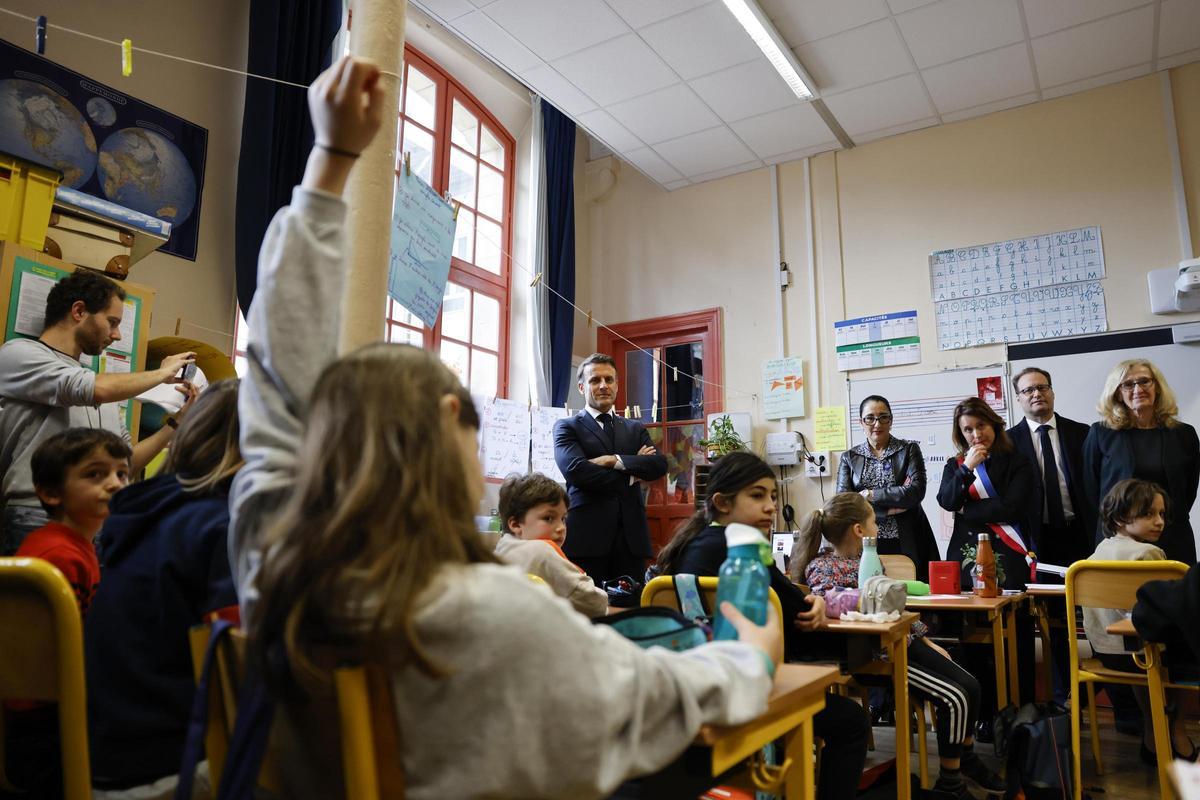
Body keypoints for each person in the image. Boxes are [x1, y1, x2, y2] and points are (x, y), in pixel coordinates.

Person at [231, 55, 782, 800]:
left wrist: (328, 162)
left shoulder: (272, 562)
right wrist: (750, 630)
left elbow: (271, 369)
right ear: (452, 418)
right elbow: (711, 690)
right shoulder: (495, 612)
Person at [654, 451, 869, 800]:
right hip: (744, 691)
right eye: (757, 496)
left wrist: (810, 601)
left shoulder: (693, 544)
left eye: (771, 495)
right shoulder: (743, 553)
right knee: (850, 721)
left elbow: (786, 600)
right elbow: (794, 612)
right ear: (723, 502)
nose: (770, 506)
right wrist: (813, 603)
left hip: (695, 688)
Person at [791, 491, 1005, 800]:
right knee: (954, 697)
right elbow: (830, 604)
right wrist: (868, 600)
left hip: (905, 641)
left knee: (970, 685)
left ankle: (964, 758)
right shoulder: (822, 568)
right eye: (873, 522)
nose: (878, 528)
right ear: (858, 530)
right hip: (878, 655)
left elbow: (897, 611)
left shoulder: (869, 561)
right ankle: (951, 780)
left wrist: (927, 640)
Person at [85, 380, 242, 796]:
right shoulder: (221, 528)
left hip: (96, 759)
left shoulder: (141, 514)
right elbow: (240, 676)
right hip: (166, 769)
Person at [0, 268, 196, 554]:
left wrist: (177, 423)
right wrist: (161, 374)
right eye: (112, 322)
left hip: (96, 526)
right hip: (38, 517)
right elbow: (91, 389)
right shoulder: (20, 354)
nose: (117, 335)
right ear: (79, 311)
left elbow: (127, 461)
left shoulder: (99, 385)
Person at [6, 428, 131, 796]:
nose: (114, 484)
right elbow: (69, 653)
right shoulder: (60, 555)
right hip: (47, 725)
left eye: (121, 473)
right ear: (50, 492)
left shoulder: (74, 546)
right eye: (95, 474)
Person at [937, 397, 1037, 738]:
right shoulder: (956, 465)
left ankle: (1018, 707)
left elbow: (1013, 508)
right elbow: (947, 501)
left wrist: (969, 512)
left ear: (994, 424)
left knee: (1016, 630)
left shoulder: (1018, 461)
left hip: (1007, 556)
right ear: (960, 434)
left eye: (981, 426)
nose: (976, 434)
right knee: (972, 634)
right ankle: (983, 708)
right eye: (968, 429)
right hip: (966, 558)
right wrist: (966, 469)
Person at [1081, 479, 1197, 762]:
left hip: (1107, 655)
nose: (1159, 522)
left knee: (1141, 650)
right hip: (1148, 657)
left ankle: (1151, 732)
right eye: (1149, 514)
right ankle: (1177, 729)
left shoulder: (1095, 556)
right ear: (1120, 517)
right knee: (1182, 643)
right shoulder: (1151, 556)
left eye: (1161, 514)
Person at [1007, 366, 1091, 706]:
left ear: (1052, 392)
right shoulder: (1009, 443)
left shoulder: (1082, 433)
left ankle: (1123, 704)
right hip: (1038, 545)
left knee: (1100, 619)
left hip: (1081, 536)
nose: (1036, 394)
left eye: (1041, 387)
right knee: (1055, 623)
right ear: (1018, 398)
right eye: (1028, 390)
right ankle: (1064, 697)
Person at [552, 353, 668, 585]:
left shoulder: (635, 429)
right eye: (595, 380)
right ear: (582, 386)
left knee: (630, 614)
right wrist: (633, 471)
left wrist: (611, 460)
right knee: (587, 614)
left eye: (609, 379)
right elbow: (577, 471)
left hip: (631, 540)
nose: (603, 386)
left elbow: (658, 465)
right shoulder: (567, 427)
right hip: (586, 539)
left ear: (617, 384)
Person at [1083, 359, 1199, 564]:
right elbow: (1091, 490)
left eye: (1145, 381)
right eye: (1128, 384)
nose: (1138, 389)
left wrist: (1158, 518)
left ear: (1157, 387)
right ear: (1117, 393)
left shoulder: (1184, 434)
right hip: (1118, 541)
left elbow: (1187, 491)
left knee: (1179, 596)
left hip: (1173, 537)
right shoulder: (1101, 433)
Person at [837, 394, 939, 580]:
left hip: (907, 537)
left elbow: (915, 493)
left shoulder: (908, 450)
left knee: (912, 594)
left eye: (884, 417)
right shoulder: (849, 458)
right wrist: (888, 509)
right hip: (864, 540)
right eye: (870, 418)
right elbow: (844, 504)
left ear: (891, 420)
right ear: (861, 422)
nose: (877, 424)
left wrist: (870, 494)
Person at [494, 472, 609, 617]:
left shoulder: (500, 551)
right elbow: (594, 603)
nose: (561, 527)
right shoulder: (541, 551)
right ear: (516, 524)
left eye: (563, 519)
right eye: (548, 518)